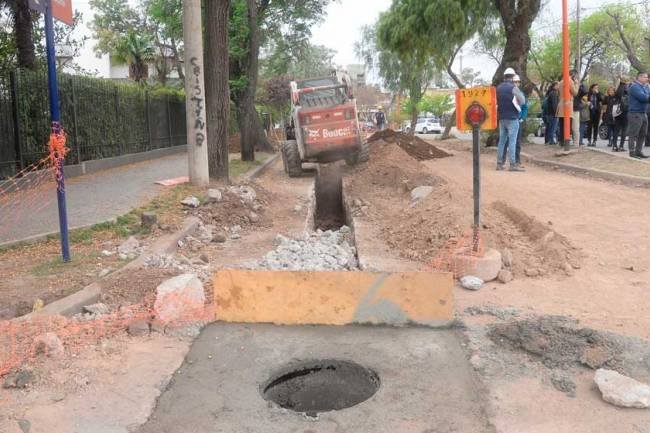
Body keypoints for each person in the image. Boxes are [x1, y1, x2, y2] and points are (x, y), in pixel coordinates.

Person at [496, 67, 526, 171]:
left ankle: (499, 164)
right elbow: (522, 101)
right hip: (513, 118)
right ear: (513, 77)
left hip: (502, 118)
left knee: (502, 141)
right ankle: (512, 164)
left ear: (504, 76)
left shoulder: (498, 88)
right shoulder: (513, 88)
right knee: (512, 141)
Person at [626, 71, 650, 159]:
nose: (647, 79)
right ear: (639, 77)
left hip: (643, 113)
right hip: (635, 113)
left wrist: (647, 95)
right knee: (634, 133)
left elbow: (647, 97)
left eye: (647, 77)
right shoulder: (634, 87)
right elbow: (643, 98)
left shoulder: (646, 86)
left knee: (643, 133)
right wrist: (647, 95)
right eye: (645, 77)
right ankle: (632, 152)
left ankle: (638, 151)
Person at [556, 70, 580, 149]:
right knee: (567, 125)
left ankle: (561, 141)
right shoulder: (570, 81)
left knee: (561, 124)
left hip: (561, 105)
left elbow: (558, 93)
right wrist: (577, 84)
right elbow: (575, 93)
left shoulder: (560, 82)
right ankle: (566, 142)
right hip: (568, 105)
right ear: (573, 75)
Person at [613, 76, 630, 152]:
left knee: (616, 129)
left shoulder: (617, 89)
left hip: (617, 110)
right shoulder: (627, 88)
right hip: (625, 110)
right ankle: (621, 146)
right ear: (626, 81)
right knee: (624, 129)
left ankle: (614, 146)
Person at [602, 86, 619, 150]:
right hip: (608, 115)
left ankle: (614, 142)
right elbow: (603, 103)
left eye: (612, 90)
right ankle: (610, 141)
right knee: (609, 129)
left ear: (614, 91)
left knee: (615, 130)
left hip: (615, 115)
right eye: (609, 91)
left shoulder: (616, 97)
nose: (611, 92)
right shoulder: (607, 97)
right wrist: (605, 96)